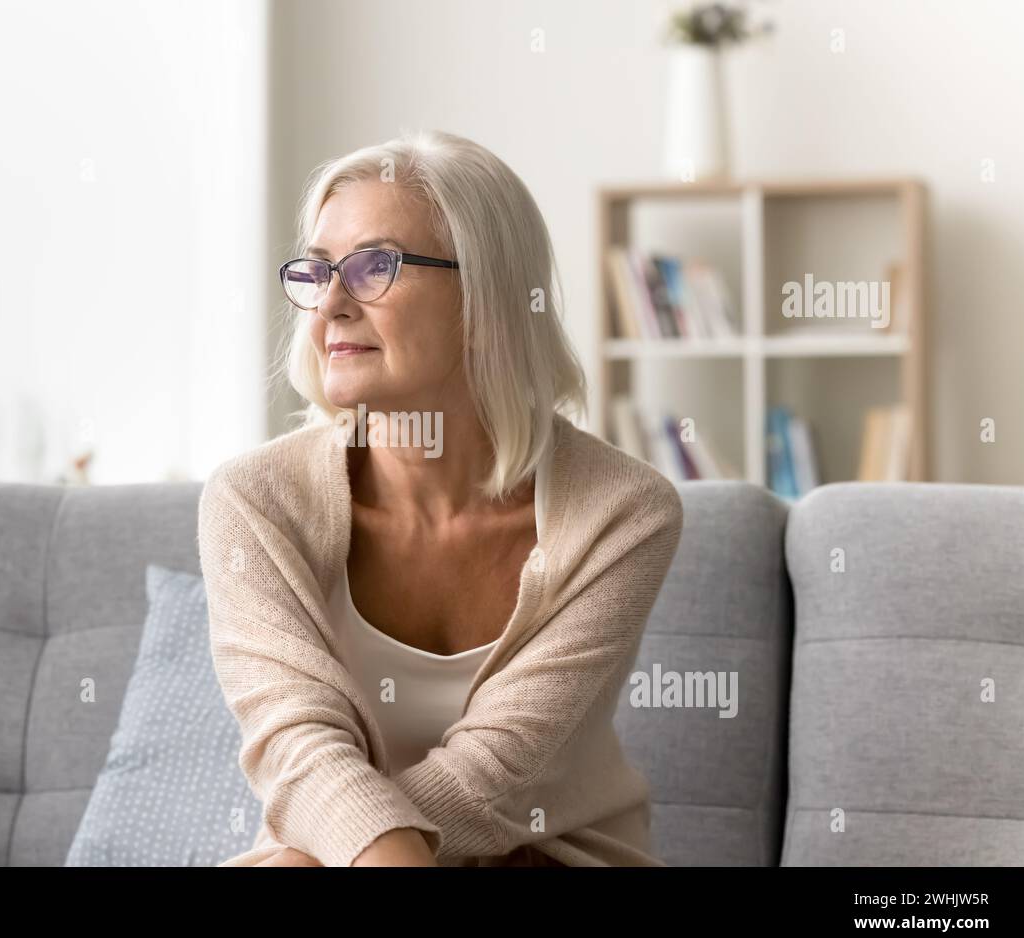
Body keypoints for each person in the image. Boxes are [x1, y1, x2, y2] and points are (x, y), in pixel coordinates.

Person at [199, 129, 684, 867]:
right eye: (319, 269)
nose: (330, 303)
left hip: (544, 849)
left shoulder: (621, 512)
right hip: (322, 852)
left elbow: (493, 778)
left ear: (485, 292)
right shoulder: (255, 501)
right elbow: (297, 749)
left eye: (373, 267)